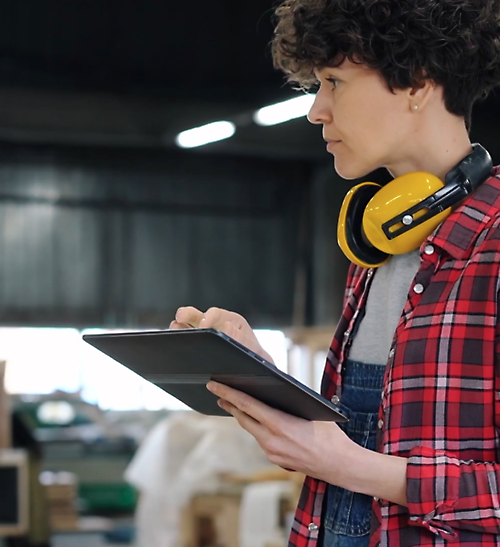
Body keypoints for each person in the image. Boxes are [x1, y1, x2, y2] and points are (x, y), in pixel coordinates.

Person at [170, 1, 500, 546]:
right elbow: (362, 437)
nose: (315, 111)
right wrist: (264, 379)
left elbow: (356, 464)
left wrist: (354, 468)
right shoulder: (378, 246)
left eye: (334, 81)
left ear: (417, 82)